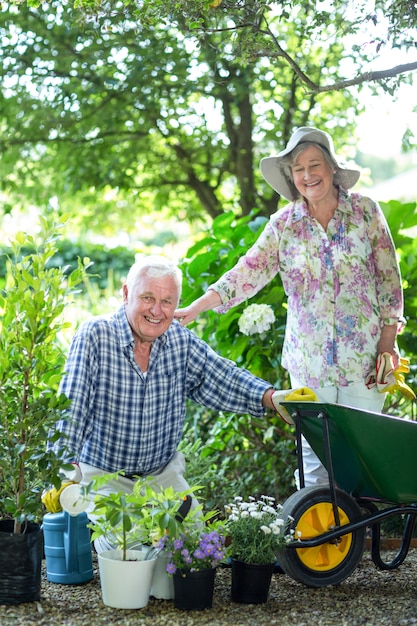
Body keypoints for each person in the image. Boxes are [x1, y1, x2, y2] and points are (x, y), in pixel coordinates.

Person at [175, 126, 404, 488]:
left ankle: (355, 539)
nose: (308, 175)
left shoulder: (365, 212)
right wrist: (197, 307)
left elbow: (389, 279)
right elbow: (248, 272)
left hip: (364, 358)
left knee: (362, 455)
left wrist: (386, 344)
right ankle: (318, 539)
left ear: (331, 168)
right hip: (309, 362)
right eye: (299, 168)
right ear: (292, 177)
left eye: (315, 164)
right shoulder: (283, 225)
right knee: (315, 462)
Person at [48, 255, 281, 551]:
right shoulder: (95, 336)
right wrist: (64, 474)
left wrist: (271, 397)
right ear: (125, 294)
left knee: (200, 550)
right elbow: (72, 408)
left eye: (167, 301)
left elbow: (222, 376)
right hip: (104, 478)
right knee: (127, 552)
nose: (157, 310)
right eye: (148, 298)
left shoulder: (180, 341)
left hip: (163, 476)